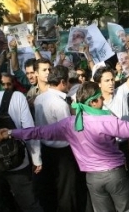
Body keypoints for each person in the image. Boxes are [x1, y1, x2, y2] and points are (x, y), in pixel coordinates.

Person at [1, 81, 129, 212]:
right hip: (115, 175)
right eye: (100, 98)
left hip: (93, 179)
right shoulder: (107, 120)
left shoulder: (70, 123)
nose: (103, 100)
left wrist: (11, 133)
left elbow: (38, 132)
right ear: (93, 102)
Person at [0, 65, 42, 212]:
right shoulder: (18, 97)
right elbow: (29, 130)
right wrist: (36, 159)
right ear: (0, 79)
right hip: (18, 160)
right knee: (29, 204)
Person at [33, 65, 87, 212]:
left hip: (45, 149)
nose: (70, 85)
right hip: (62, 153)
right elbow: (69, 132)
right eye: (68, 82)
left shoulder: (39, 98)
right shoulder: (60, 103)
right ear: (62, 82)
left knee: (51, 189)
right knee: (66, 190)